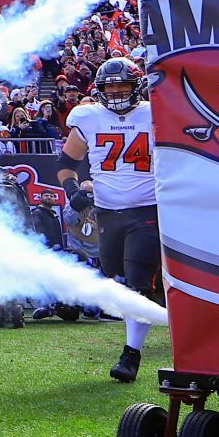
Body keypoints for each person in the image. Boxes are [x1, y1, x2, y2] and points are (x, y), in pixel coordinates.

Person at [60, 58, 160, 382]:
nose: (116, 91)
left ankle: (131, 355)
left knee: (137, 280)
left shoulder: (154, 113)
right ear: (100, 89)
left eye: (122, 85)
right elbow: (65, 164)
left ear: (136, 86)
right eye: (110, 86)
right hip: (107, 212)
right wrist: (72, 189)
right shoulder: (88, 117)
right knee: (113, 273)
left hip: (148, 208)